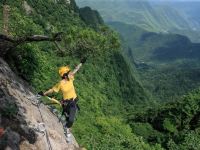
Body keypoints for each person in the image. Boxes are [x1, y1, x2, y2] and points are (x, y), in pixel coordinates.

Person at [39, 57, 87, 139]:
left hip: (73, 102)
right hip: (66, 103)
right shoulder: (61, 83)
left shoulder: (71, 78)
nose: (70, 73)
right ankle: (67, 128)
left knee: (71, 120)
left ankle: (66, 128)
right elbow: (52, 89)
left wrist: (81, 63)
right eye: (68, 73)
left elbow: (76, 69)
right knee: (68, 118)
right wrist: (43, 93)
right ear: (64, 75)